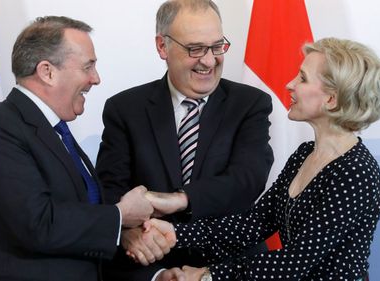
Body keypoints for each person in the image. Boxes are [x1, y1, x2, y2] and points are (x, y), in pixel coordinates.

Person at [144, 37, 380, 280]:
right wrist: (177, 234)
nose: (290, 84)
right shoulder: (305, 153)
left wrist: (208, 276)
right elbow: (255, 222)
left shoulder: (356, 172)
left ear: (331, 99)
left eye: (303, 78)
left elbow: (295, 261)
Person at [0, 16, 154, 281]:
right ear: (47, 71)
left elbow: (80, 209)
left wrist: (129, 231)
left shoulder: (55, 130)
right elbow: (37, 224)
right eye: (88, 67)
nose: (96, 79)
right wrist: (120, 216)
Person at [95, 0, 273, 280]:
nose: (209, 60)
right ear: (162, 47)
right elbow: (110, 190)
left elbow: (247, 180)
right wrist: (129, 233)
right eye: (195, 49)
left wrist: (180, 200)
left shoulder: (250, 104)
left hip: (230, 267)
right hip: (150, 264)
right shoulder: (125, 109)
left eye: (217, 47)